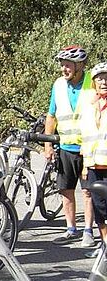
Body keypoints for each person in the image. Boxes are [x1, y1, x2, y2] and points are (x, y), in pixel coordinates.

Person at [45, 45, 95, 247]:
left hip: (89, 147)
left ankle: (88, 230)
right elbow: (52, 115)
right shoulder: (58, 85)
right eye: (62, 65)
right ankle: (71, 228)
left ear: (80, 65)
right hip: (66, 146)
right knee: (66, 189)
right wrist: (48, 145)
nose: (64, 69)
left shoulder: (94, 81)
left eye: (68, 65)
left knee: (88, 191)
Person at [79, 62, 107, 257]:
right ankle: (105, 244)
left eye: (106, 78)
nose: (103, 82)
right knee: (100, 210)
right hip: (93, 164)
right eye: (99, 78)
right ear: (94, 82)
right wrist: (85, 164)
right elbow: (86, 136)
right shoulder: (90, 106)